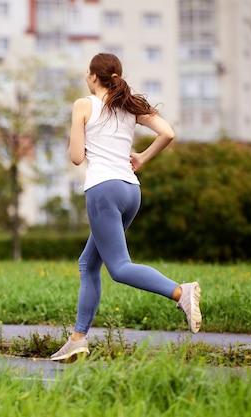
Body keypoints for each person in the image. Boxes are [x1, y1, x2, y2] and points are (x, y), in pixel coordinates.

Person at [50, 53, 202, 362]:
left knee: (119, 267)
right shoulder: (128, 105)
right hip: (130, 191)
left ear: (94, 76)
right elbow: (168, 132)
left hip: (103, 191)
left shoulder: (83, 105)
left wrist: (76, 135)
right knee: (88, 264)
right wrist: (143, 157)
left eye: (87, 73)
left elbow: (77, 157)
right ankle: (78, 338)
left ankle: (180, 292)